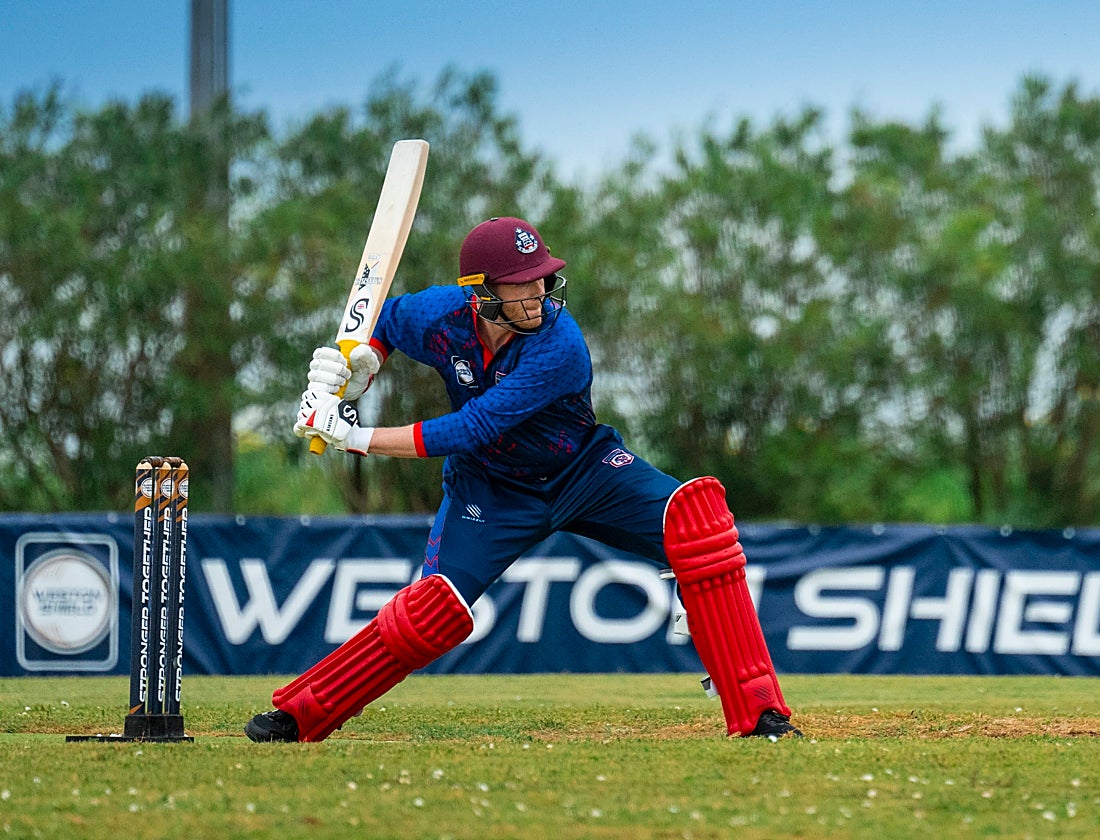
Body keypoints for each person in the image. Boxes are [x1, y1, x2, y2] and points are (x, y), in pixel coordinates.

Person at [245, 216, 797, 743]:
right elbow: (384, 318)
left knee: (696, 519)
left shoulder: (558, 343)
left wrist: (355, 437)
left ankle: (760, 713)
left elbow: (472, 425)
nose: (537, 294)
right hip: (490, 488)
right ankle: (299, 714)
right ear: (480, 291)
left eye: (541, 279)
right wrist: (368, 361)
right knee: (430, 612)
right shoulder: (441, 316)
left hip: (583, 471)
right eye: (520, 285)